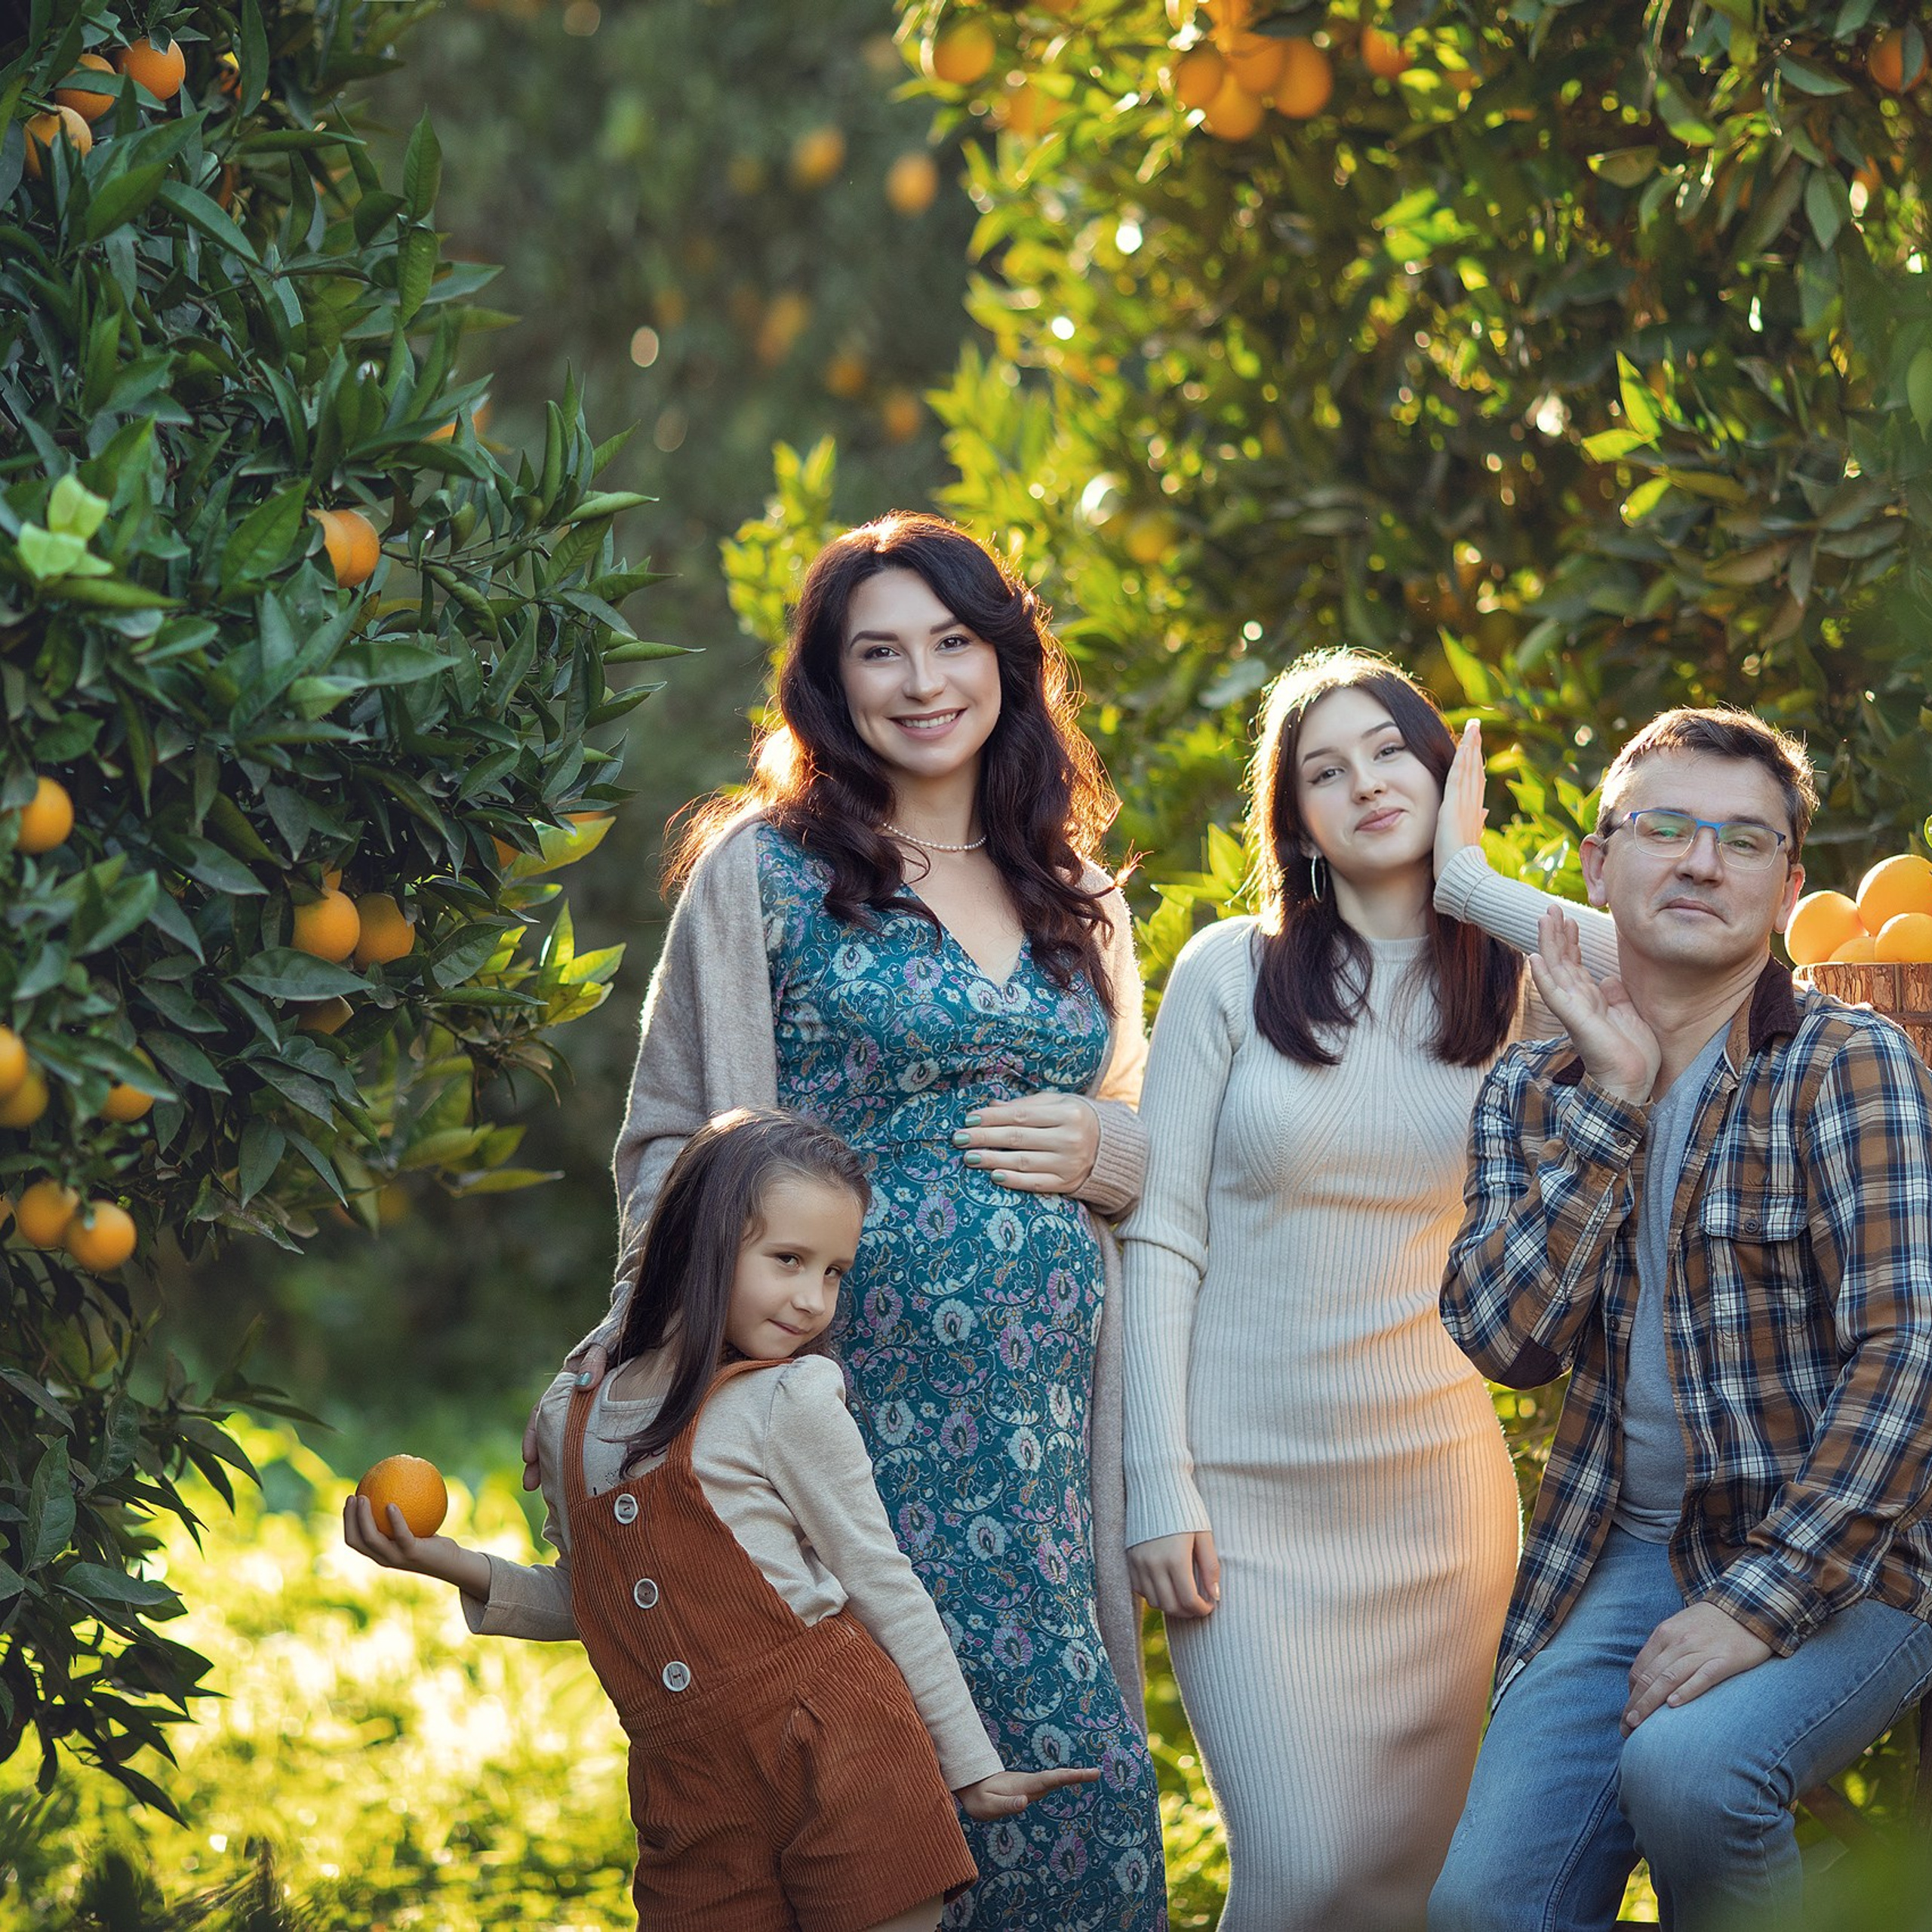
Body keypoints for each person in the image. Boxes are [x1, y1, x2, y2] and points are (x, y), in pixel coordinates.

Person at [537, 512, 1166, 1929]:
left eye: (953, 642)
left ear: (1008, 661)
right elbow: (667, 1144)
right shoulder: (761, 873)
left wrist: (1116, 1154)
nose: (922, 679)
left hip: (1041, 1458)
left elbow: (1139, 1134)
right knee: (868, 1807)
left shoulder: (1079, 895)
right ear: (829, 685)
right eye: (877, 651)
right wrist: (662, 1362)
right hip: (836, 1426)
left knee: (1075, 1814)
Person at [1121, 649, 1619, 1931]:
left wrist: (1472, 883)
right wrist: (1153, 1474)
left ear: (1446, 771)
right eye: (1324, 772)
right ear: (1294, 821)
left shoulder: (1519, 990)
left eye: (1392, 751)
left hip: (1436, 1507)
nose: (1364, 784)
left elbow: (1683, 972)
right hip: (1244, 1503)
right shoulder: (1231, 971)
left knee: (1408, 1891)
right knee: (1300, 1878)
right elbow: (1163, 1231)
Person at [1429, 708, 1932, 1932]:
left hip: (1853, 1553)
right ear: (1601, 863)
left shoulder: (1845, 1062)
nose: (1702, 862)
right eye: (1668, 828)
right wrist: (1615, 1100)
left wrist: (1755, 1604)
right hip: (1629, 1549)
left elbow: (1909, 1352)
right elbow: (1505, 1339)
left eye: (1743, 840)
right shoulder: (1536, 1087)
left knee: (1693, 1774)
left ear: (1784, 887)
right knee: (1484, 1909)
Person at [349, 1109, 1094, 1932]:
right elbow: (600, 1598)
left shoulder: (791, 1399)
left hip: (842, 1751)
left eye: (834, 1272)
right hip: (687, 1793)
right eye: (788, 1261)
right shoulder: (572, 1415)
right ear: (702, 1242)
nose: (813, 1300)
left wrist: (968, 1766)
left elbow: (881, 1579)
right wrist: (446, 1561)